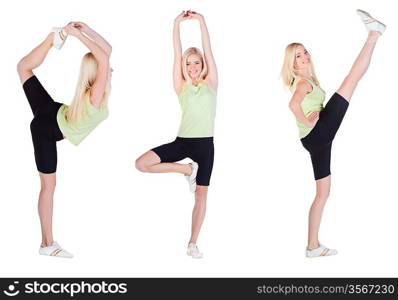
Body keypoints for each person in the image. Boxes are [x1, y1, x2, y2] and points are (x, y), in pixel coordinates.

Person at [281, 10, 385, 257]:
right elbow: (293, 105)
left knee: (323, 193)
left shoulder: (310, 81)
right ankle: (374, 34)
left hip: (314, 140)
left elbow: (298, 105)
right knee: (351, 80)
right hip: (317, 135)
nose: (304, 56)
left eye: (305, 52)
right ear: (292, 63)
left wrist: (308, 120)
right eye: (298, 55)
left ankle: (312, 247)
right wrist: (306, 119)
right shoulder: (303, 84)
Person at [17, 22, 112, 258]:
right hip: (45, 129)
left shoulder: (98, 88)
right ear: (96, 71)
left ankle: (53, 38)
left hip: (54, 111)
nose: (111, 69)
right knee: (49, 187)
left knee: (23, 68)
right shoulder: (96, 94)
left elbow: (106, 50)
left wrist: (87, 28)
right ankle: (46, 243)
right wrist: (76, 34)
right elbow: (104, 57)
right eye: (105, 67)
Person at [135, 11, 218, 259]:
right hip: (182, 143)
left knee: (201, 196)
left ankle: (192, 243)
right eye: (188, 63)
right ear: (183, 67)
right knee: (141, 163)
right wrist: (175, 25)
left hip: (205, 146)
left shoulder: (211, 83)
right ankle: (186, 170)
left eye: (197, 62)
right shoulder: (180, 86)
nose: (192, 67)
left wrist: (202, 21)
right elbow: (175, 52)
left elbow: (208, 47)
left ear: (203, 65)